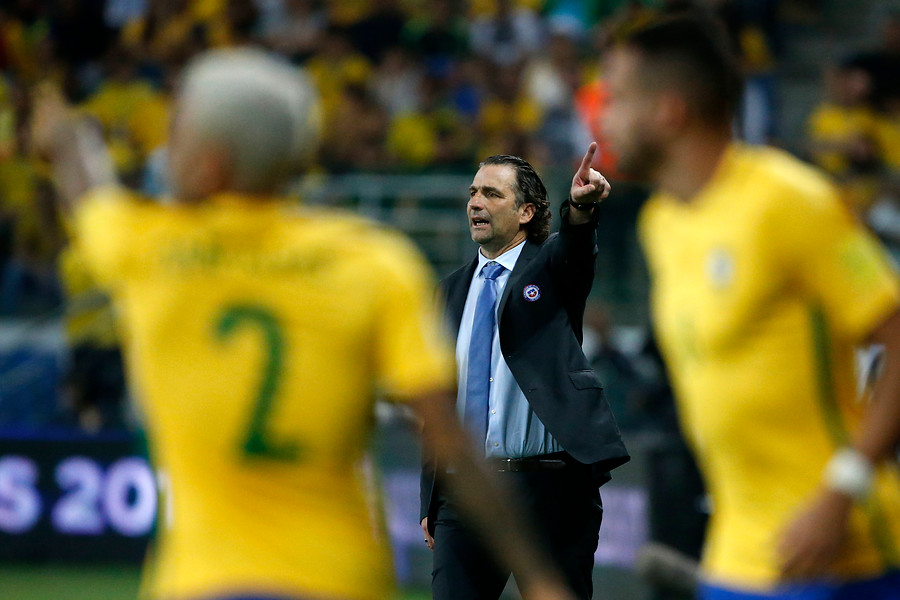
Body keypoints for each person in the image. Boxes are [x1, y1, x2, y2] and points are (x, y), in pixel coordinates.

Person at [32, 48, 578, 600]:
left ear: (212, 161)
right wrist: (538, 580)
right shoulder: (372, 262)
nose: (164, 149)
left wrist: (64, 137)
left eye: (177, 134)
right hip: (337, 580)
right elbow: (452, 442)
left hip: (205, 583)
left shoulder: (151, 251)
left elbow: (88, 193)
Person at [603, 13, 900, 600]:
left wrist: (843, 489)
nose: (601, 118)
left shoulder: (792, 201)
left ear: (667, 110)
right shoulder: (661, 223)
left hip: (836, 554)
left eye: (614, 98)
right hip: (735, 556)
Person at [420, 148, 630, 600]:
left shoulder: (551, 268)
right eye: (473, 192)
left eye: (492, 194)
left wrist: (582, 206)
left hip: (550, 486)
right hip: (467, 491)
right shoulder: (449, 291)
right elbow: (437, 399)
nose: (475, 202)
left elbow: (576, 247)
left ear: (525, 212)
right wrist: (430, 496)